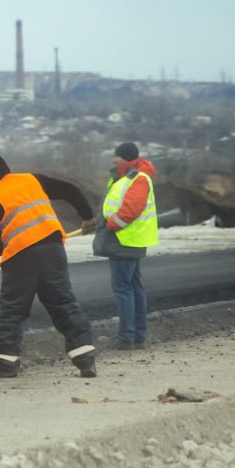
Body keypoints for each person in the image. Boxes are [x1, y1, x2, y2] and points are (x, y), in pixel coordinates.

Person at [0, 153, 98, 379]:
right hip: (53, 250)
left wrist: (6, 251)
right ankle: (85, 361)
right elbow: (71, 190)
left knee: (13, 310)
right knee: (64, 302)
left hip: (21, 257)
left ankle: (6, 365)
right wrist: (87, 217)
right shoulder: (32, 180)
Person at [94, 141, 159, 351]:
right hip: (128, 240)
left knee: (124, 290)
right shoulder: (124, 178)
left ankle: (127, 337)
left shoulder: (138, 179)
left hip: (125, 240)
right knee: (134, 288)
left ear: (128, 158)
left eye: (118, 156)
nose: (114, 159)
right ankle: (137, 336)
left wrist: (110, 225)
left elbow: (131, 210)